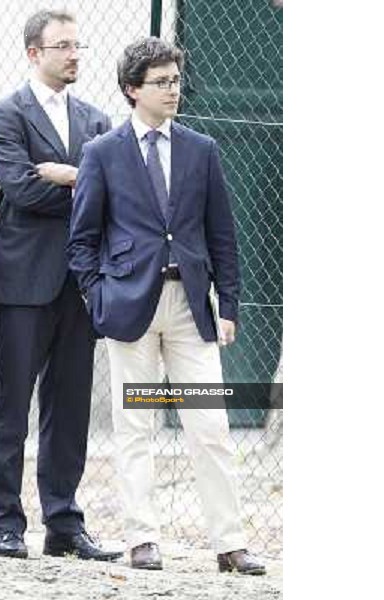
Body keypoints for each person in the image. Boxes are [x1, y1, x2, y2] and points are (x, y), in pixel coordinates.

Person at [68, 37, 265, 575]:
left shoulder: (202, 149)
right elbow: (82, 239)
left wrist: (228, 303)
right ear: (133, 89)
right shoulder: (102, 153)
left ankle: (230, 542)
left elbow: (223, 234)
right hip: (129, 310)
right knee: (136, 427)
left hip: (189, 310)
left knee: (211, 427)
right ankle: (142, 538)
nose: (173, 89)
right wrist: (98, 297)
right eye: (161, 81)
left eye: (176, 79)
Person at [0, 9, 120, 561]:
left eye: (78, 46)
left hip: (80, 283)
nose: (75, 55)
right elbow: (21, 188)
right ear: (34, 53)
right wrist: (85, 181)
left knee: (70, 410)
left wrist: (64, 174)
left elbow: (112, 194)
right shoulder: (3, 113)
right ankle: (5, 524)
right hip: (21, 283)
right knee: (11, 408)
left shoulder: (96, 118)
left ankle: (64, 523)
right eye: (63, 46)